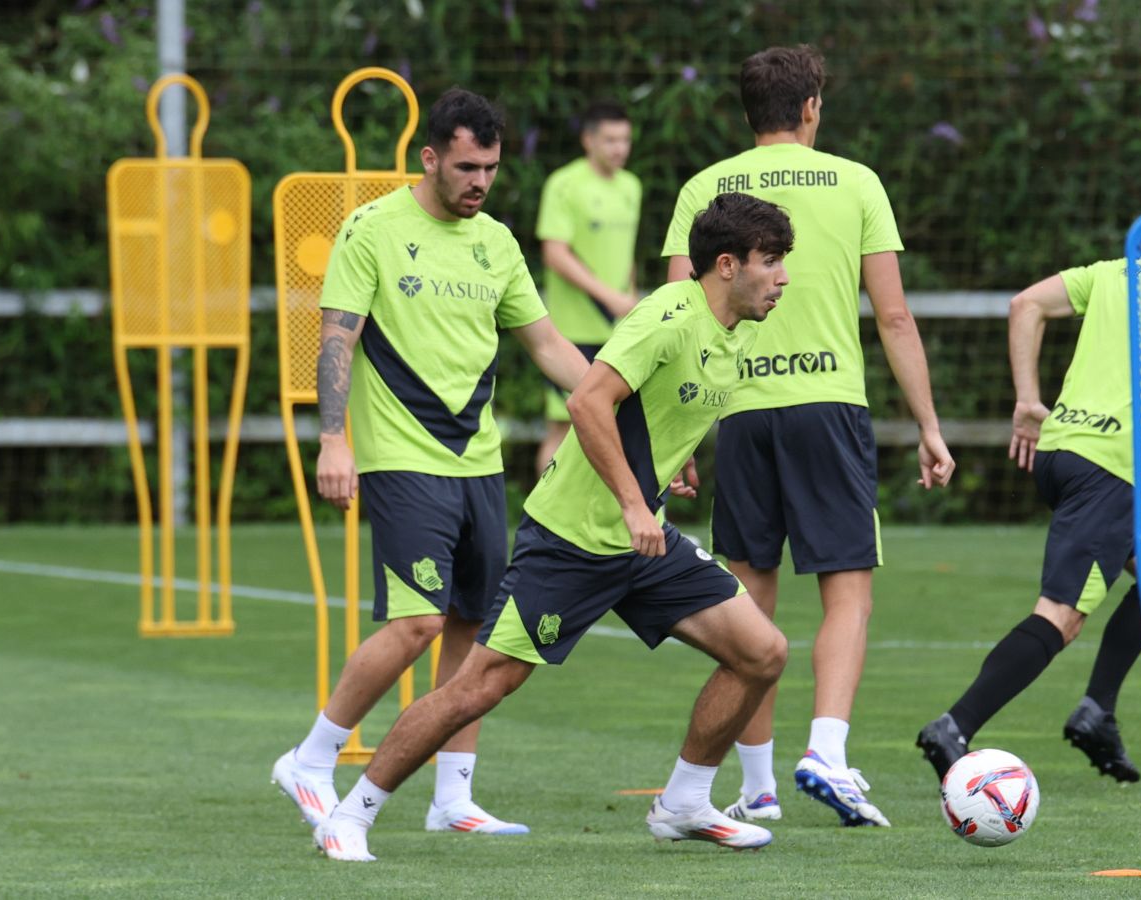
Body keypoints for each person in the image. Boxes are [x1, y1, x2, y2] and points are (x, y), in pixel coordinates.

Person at [310, 192, 795, 862]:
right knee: (481, 686)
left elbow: (647, 415)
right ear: (725, 265)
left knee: (762, 652)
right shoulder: (665, 317)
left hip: (642, 541)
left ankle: (684, 801)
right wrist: (631, 501)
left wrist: (660, 474)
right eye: (770, 262)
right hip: (572, 541)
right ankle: (350, 814)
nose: (783, 277)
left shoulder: (737, 331)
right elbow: (587, 401)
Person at [272, 88, 591, 837]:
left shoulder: (498, 243)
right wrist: (332, 438)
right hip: (401, 457)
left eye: (492, 168)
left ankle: (453, 798)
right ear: (430, 157)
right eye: (467, 167)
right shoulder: (372, 228)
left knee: (476, 627)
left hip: (477, 461)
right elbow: (336, 339)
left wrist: (617, 416)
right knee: (416, 622)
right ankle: (312, 758)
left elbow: (547, 346)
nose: (480, 182)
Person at [661, 44, 955, 827]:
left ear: (747, 110)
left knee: (749, 605)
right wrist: (928, 424)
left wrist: (678, 438)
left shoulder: (705, 187)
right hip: (829, 407)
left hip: (739, 413)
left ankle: (756, 786)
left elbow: (676, 319)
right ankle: (826, 750)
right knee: (847, 592)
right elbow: (892, 315)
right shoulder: (857, 182)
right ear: (813, 106)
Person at [916, 161, 1141, 784]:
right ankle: (956, 725)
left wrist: (1027, 401)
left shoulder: (1118, 270)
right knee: (1062, 615)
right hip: (1112, 470)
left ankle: (1097, 710)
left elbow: (1025, 305)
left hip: (1060, 452)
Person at [534, 100, 643, 475]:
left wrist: (628, 295)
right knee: (564, 429)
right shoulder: (564, 184)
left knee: (622, 428)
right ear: (588, 140)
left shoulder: (631, 186)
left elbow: (623, 254)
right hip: (570, 332)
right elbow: (555, 253)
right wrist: (609, 297)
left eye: (625, 139)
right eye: (610, 139)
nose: (619, 148)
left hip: (617, 334)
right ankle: (541, 527)